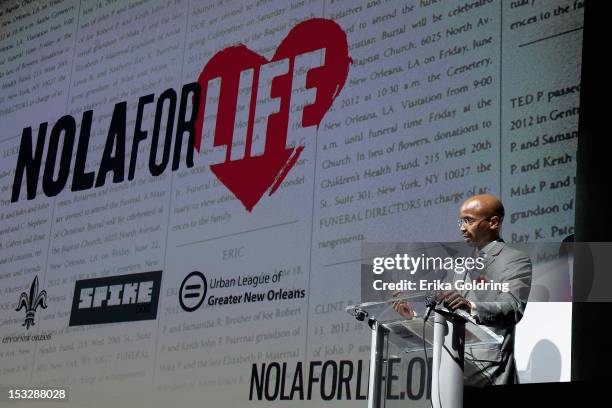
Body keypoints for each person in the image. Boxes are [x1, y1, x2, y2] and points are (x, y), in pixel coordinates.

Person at [393, 194, 532, 386]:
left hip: (489, 373)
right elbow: (448, 318)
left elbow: (513, 308)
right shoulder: (462, 264)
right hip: (454, 368)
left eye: (469, 220)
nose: (462, 228)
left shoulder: (513, 260)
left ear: (493, 222)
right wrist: (413, 318)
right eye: (460, 221)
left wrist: (471, 307)